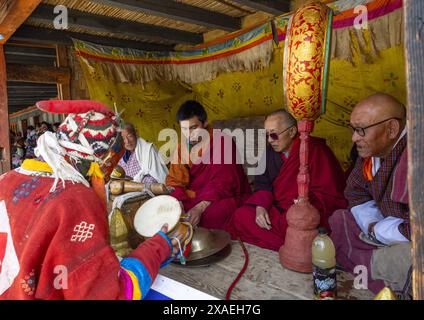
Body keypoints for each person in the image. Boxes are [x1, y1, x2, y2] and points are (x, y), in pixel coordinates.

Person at [0, 100, 181, 300]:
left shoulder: (6, 179)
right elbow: (110, 293)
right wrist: (158, 247)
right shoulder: (74, 201)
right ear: (101, 162)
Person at [229, 109, 347, 251]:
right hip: (277, 208)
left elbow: (330, 196)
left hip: (304, 211)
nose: (269, 140)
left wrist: (302, 206)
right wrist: (261, 206)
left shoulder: (316, 150)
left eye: (273, 135)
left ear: (292, 132)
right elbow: (262, 184)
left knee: (299, 223)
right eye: (266, 135)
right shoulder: (269, 153)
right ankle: (294, 246)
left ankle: (291, 247)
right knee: (240, 216)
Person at [329, 93, 411, 297]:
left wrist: (381, 229)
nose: (354, 138)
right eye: (353, 129)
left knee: (410, 257)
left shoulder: (415, 153)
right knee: (339, 219)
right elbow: (355, 193)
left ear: (391, 128)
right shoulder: (372, 155)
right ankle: (370, 263)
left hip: (409, 238)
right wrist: (372, 224)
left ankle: (366, 263)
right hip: (381, 229)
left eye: (361, 130)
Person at [166, 100, 251, 230]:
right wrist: (178, 203)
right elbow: (174, 182)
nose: (189, 135)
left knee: (213, 215)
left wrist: (199, 208)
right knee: (169, 211)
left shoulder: (222, 142)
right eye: (184, 129)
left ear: (205, 123)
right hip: (194, 196)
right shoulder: (181, 148)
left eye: (194, 128)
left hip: (220, 196)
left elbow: (225, 182)